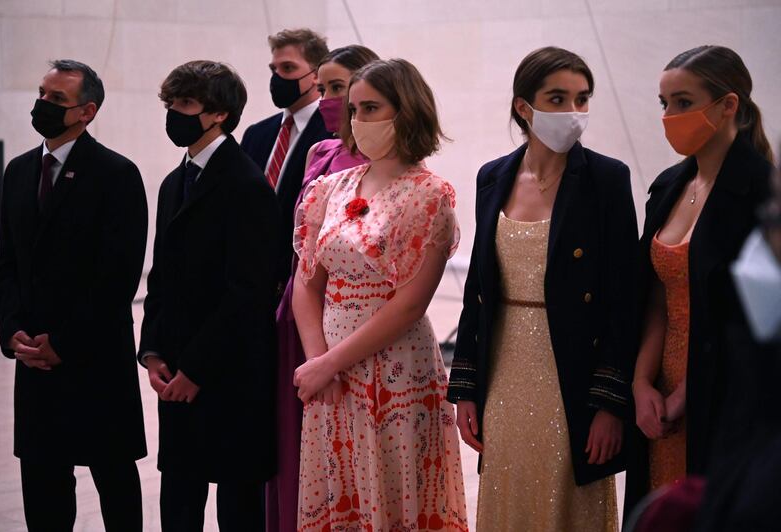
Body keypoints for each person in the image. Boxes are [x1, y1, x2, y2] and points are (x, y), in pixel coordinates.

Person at [447, 46, 638, 531]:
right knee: (510, 496)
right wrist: (467, 388)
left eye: (582, 99)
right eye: (558, 98)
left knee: (567, 499)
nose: (573, 113)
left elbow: (625, 298)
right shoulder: (492, 176)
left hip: (573, 371)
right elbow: (479, 291)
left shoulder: (606, 179)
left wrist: (610, 405)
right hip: (506, 370)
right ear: (523, 106)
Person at [292, 58, 468, 531]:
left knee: (394, 496)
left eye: (371, 108)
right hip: (329, 369)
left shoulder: (430, 194)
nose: (357, 121)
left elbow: (411, 303)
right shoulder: (328, 189)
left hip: (394, 366)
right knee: (339, 491)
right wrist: (317, 361)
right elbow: (305, 285)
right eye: (353, 109)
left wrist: (330, 363)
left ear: (406, 110)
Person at [0, 59, 148, 531]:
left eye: (56, 99)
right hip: (34, 357)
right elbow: (9, 267)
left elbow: (117, 278)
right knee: (43, 483)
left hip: (93, 356)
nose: (42, 104)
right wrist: (13, 333)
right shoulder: (19, 171)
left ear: (87, 111)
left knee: (114, 480)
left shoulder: (116, 174)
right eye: (42, 93)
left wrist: (63, 342)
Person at [626, 45, 774, 515]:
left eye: (684, 102)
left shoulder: (761, 193)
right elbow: (655, 298)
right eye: (664, 103)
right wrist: (641, 382)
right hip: (661, 382)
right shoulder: (669, 186)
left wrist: (684, 395)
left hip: (724, 385)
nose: (670, 115)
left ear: (728, 105)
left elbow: (750, 319)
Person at [139, 60, 280, 532]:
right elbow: (160, 276)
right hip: (176, 366)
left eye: (184, 104)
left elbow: (248, 292)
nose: (173, 113)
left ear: (218, 113)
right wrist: (153, 349)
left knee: (237, 506)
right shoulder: (172, 181)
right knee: (178, 499)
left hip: (227, 372)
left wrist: (195, 370)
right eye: (170, 103)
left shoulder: (247, 185)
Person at [268, 43, 377, 532]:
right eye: (326, 87)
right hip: (302, 312)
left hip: (359, 320)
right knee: (297, 440)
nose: (330, 98)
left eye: (340, 88)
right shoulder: (320, 151)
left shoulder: (386, 169)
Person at [240, 28, 331, 288]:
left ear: (316, 75)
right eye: (274, 69)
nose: (277, 77)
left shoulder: (331, 133)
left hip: (297, 276)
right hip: (250, 274)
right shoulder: (256, 133)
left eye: (288, 68)